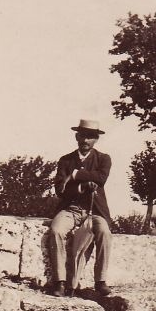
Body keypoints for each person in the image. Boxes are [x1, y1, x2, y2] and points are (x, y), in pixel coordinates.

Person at [46, 118, 113, 298]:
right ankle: (59, 282)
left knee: (104, 233)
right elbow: (60, 189)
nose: (85, 141)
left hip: (95, 210)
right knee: (56, 230)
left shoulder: (103, 159)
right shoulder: (65, 160)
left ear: (96, 139)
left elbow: (101, 178)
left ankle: (101, 281)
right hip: (71, 209)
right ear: (77, 136)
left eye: (90, 137)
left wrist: (75, 174)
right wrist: (81, 187)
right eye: (83, 136)